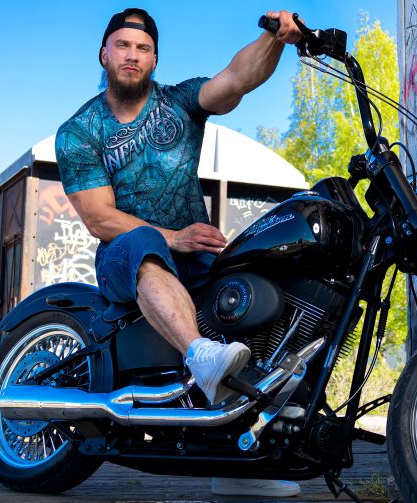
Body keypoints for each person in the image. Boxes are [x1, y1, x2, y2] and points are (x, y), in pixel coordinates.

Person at [55, 7, 303, 498]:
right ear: (104, 54)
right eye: (123, 46)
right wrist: (174, 236)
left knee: (261, 273)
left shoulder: (179, 103)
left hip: (195, 257)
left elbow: (237, 78)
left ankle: (244, 449)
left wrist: (277, 38)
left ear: (155, 59)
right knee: (142, 240)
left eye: (142, 48)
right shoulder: (79, 131)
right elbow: (99, 217)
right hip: (124, 259)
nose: (132, 55)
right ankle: (201, 356)